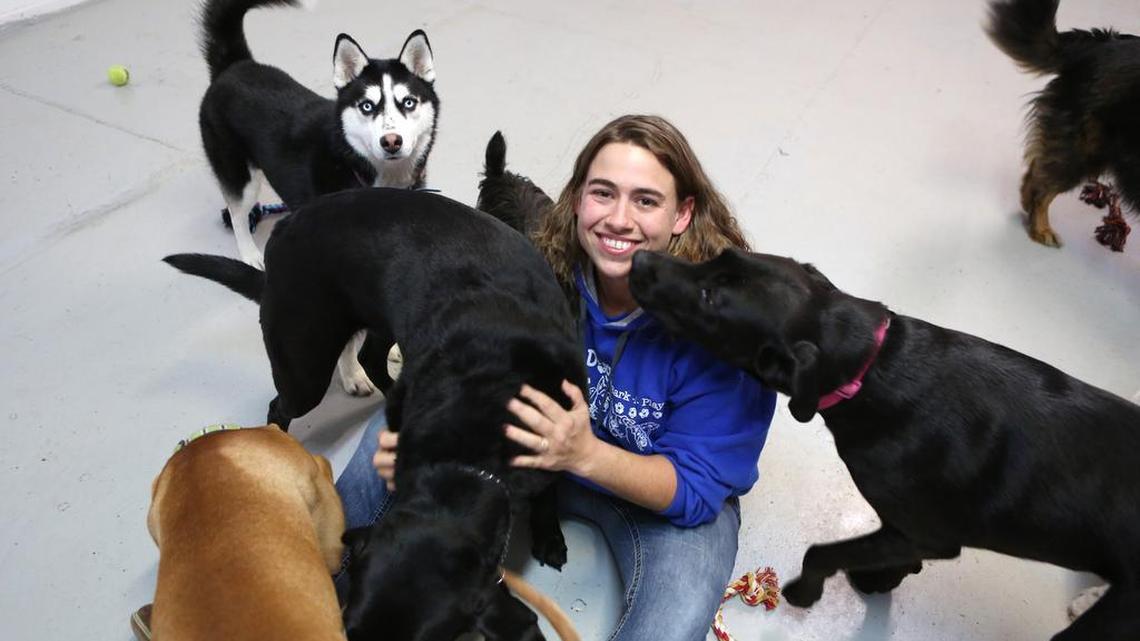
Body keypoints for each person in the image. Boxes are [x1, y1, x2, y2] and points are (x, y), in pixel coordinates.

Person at [367, 114, 777, 641]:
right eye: (602, 193)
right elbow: (464, 370)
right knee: (376, 450)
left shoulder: (727, 326)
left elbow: (696, 488)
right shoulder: (530, 270)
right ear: (578, 198)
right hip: (530, 452)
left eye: (646, 201)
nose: (619, 220)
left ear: (683, 213)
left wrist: (584, 455)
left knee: (673, 628)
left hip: (657, 492)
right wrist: (427, 437)